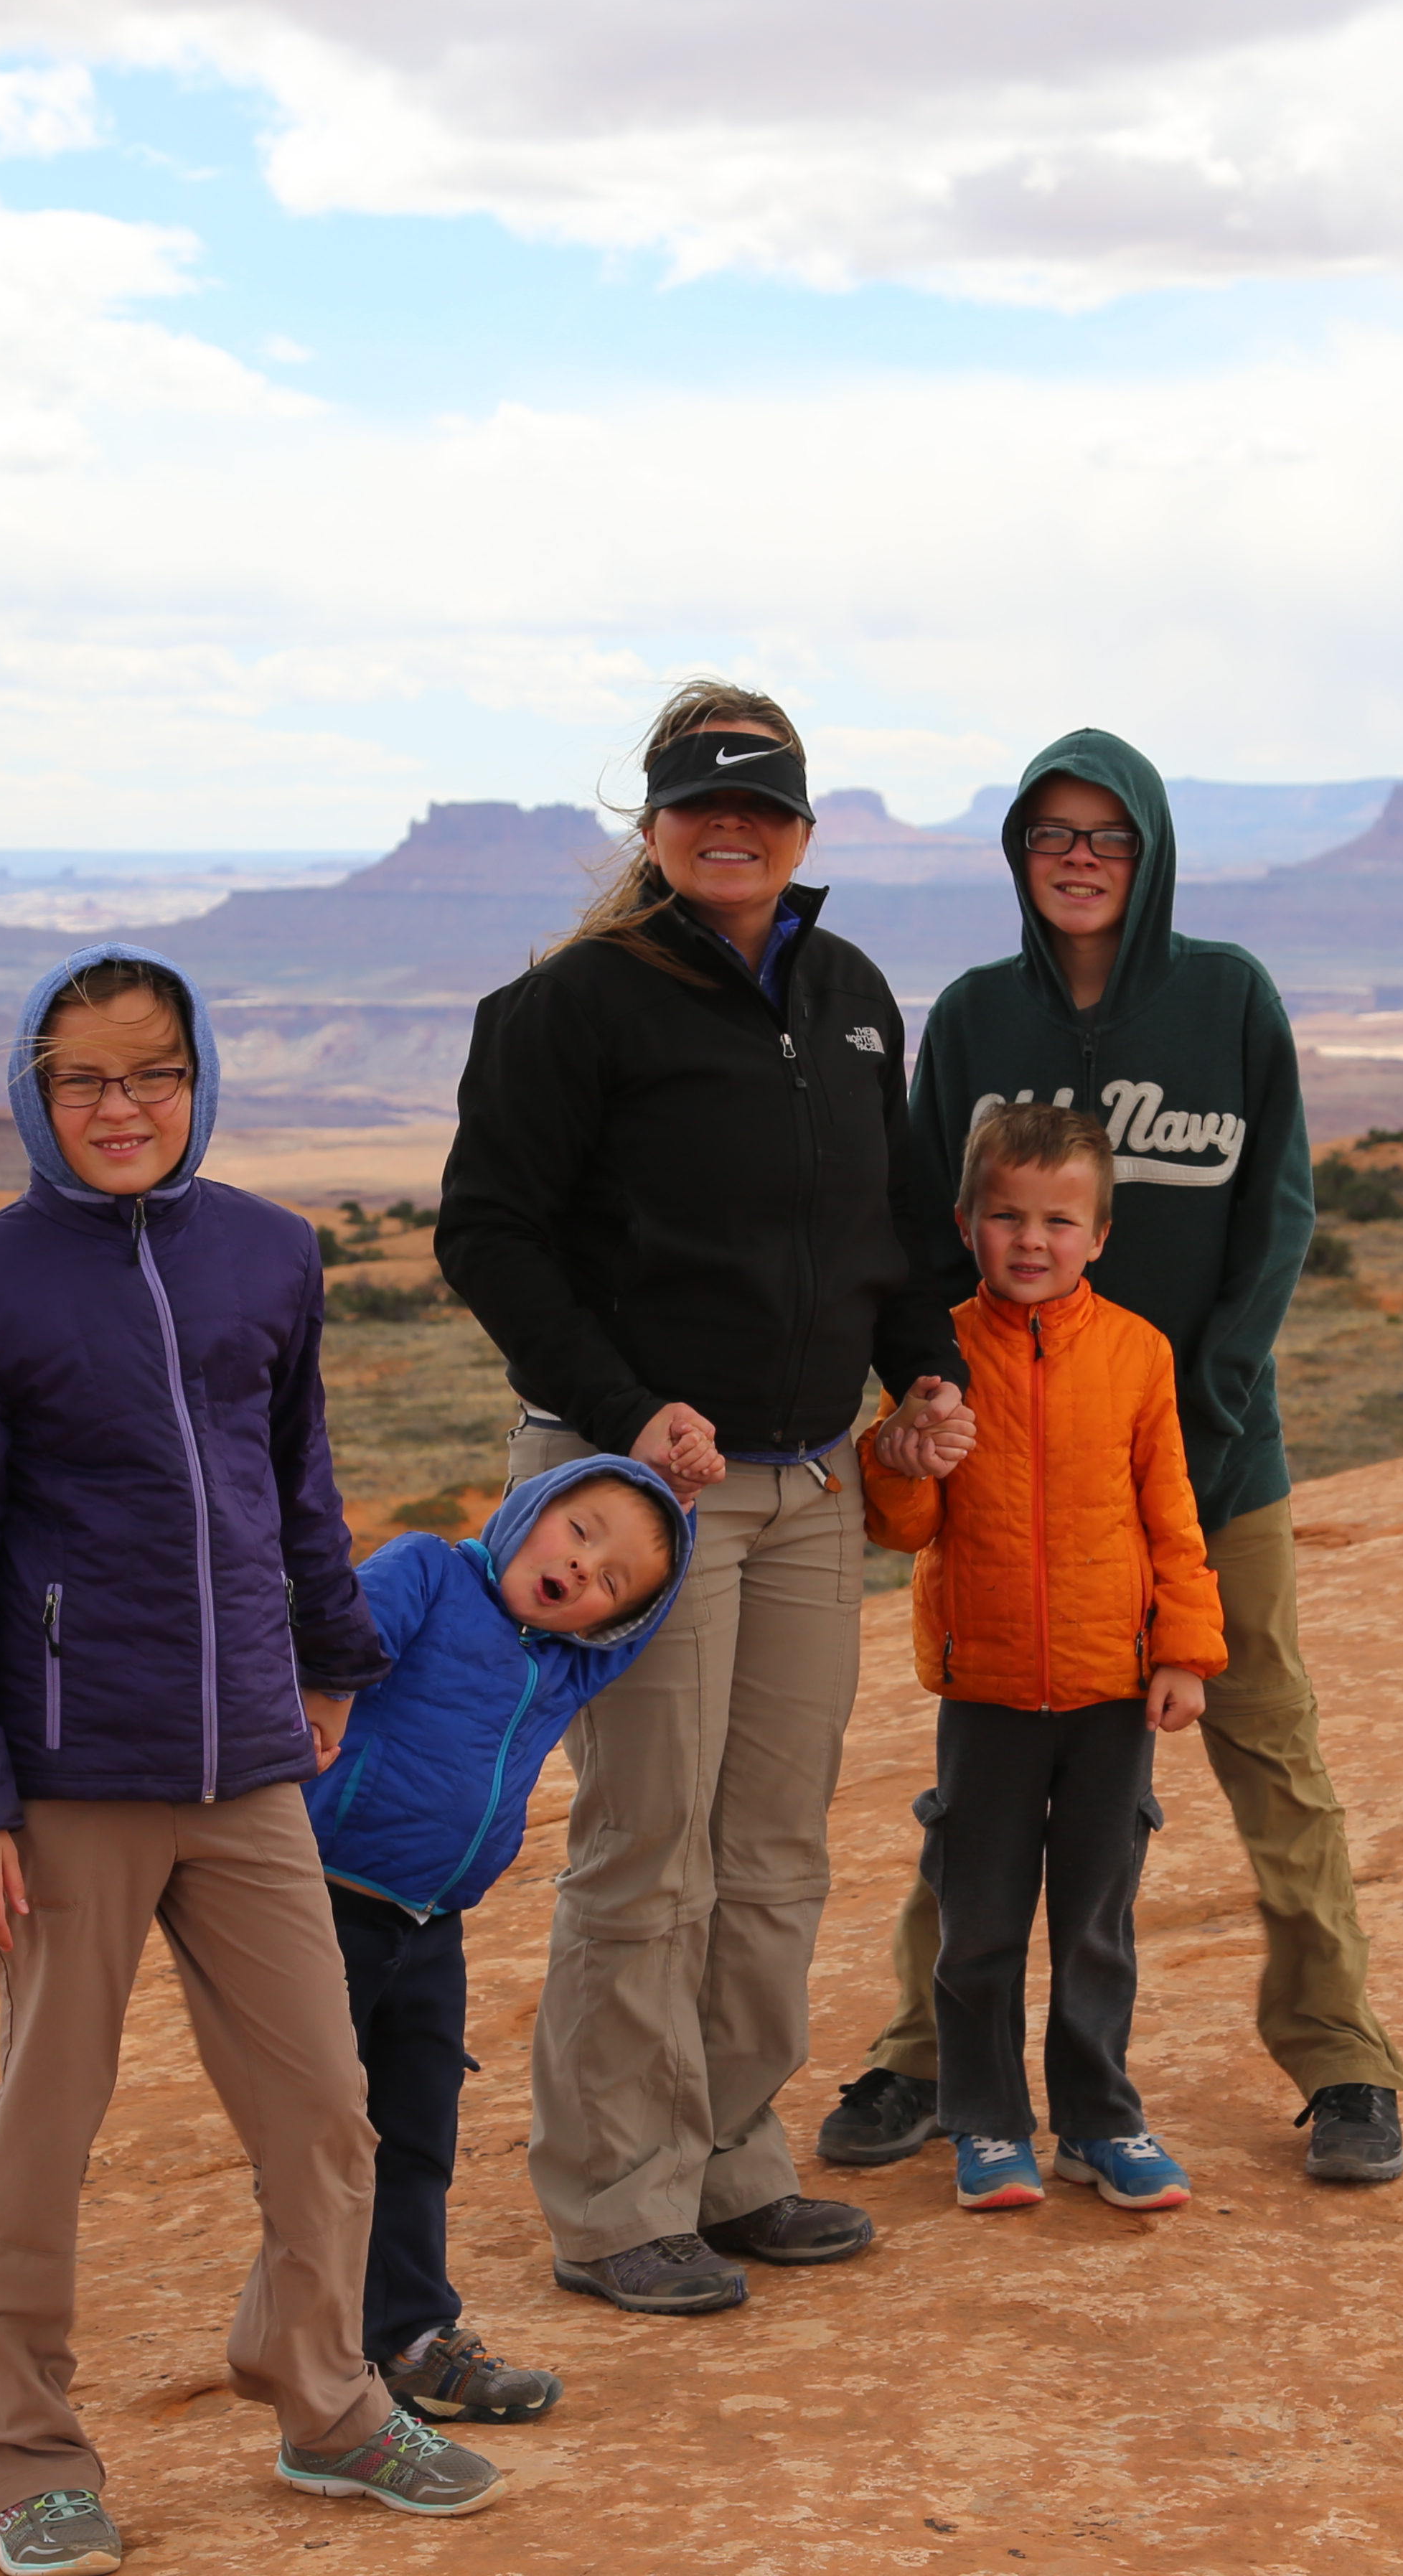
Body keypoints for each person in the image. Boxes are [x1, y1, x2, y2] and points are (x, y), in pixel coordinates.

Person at [0, 942, 502, 2575]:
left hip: (246, 1771)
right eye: (86, 1078)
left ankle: (327, 2402)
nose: (123, 1105)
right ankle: (25, 2461)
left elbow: (294, 1485)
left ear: (199, 1081)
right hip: (71, 1778)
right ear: (35, 1091)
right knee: (43, 2132)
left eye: (153, 1073)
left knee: (325, 2108)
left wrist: (333, 1659)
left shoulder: (266, 1256)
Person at [435, 678, 978, 2318]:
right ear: (655, 827)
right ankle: (614, 2205)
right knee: (648, 1844)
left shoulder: (852, 992)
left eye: (763, 806)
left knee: (774, 1844)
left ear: (805, 830)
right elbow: (491, 1233)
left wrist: (925, 1368)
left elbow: (888, 1223)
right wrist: (622, 1412)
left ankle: (734, 2161)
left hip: (812, 1481)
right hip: (640, 1497)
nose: (730, 829)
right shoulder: (576, 1005)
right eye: (699, 805)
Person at [817, 727, 1403, 2186]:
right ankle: (919, 2060)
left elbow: (1277, 1218)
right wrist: (926, 1391)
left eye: (1109, 838)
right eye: (1052, 837)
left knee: (1270, 1752)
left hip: (1211, 1462)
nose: (1080, 863)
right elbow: (912, 1227)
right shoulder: (968, 1020)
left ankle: (1343, 2060)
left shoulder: (1226, 1000)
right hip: (1013, 1473)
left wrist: (1205, 1410)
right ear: (1019, 856)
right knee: (983, 1779)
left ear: (1150, 855)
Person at [860, 1100, 1229, 2214]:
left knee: (1096, 1923)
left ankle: (1100, 2125)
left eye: (1061, 1221)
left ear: (1101, 1234)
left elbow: (1172, 1513)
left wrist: (1185, 1653)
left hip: (1111, 1689)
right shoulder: (937, 1357)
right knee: (977, 1923)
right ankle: (984, 2125)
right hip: (986, 1693)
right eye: (1007, 1216)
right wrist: (902, 1448)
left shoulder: (1137, 1354)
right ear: (966, 1221)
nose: (1033, 1240)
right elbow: (906, 1528)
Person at [304, 1453, 694, 2422]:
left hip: (430, 1927)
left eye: (611, 1583)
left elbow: (641, 1620)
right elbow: (333, 1638)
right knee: (319, 2137)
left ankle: (412, 2340)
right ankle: (316, 2358)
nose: (583, 1569)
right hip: (323, 1901)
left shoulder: (572, 1659)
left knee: (418, 2133)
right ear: (531, 1508)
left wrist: (678, 1511)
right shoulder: (429, 1572)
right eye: (578, 1531)